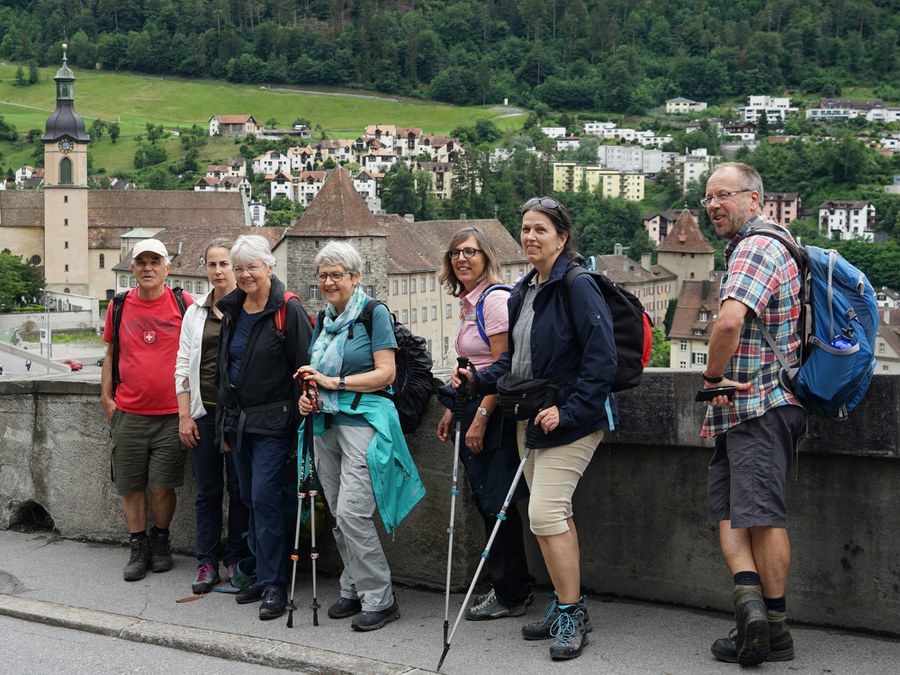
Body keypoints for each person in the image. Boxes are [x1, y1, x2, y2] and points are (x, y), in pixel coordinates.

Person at [455, 197, 616, 661]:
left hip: (572, 419)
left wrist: (569, 411)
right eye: (525, 228)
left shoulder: (577, 284)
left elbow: (601, 359)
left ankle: (571, 614)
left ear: (562, 237)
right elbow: (513, 361)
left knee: (545, 513)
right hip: (531, 415)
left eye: (540, 229)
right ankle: (566, 603)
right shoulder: (524, 289)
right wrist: (478, 379)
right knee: (548, 516)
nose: (530, 236)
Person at [700, 163, 806, 666]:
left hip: (762, 403)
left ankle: (776, 631)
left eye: (724, 194)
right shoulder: (769, 244)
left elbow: (728, 323)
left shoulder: (756, 246)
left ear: (755, 199)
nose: (713, 205)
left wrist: (711, 379)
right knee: (730, 512)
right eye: (708, 198)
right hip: (743, 410)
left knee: (761, 517)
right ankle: (752, 617)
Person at [297, 240, 425, 633]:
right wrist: (309, 395)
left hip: (365, 422)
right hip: (326, 422)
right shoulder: (324, 318)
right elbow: (317, 371)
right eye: (323, 275)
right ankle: (352, 588)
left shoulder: (374, 313)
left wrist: (332, 383)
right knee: (340, 514)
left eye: (337, 275)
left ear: (355, 277)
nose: (329, 282)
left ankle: (380, 599)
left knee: (353, 513)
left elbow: (386, 373)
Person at [435, 226, 533, 621]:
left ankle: (511, 592)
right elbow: (472, 366)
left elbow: (501, 368)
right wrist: (453, 408)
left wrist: (479, 416)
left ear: (486, 257)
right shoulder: (470, 302)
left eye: (471, 252)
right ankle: (510, 585)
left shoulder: (493, 300)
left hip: (493, 412)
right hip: (474, 405)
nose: (462, 259)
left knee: (496, 504)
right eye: (456, 252)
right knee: (489, 502)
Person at [216, 234, 313, 621]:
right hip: (239, 423)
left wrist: (301, 422)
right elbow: (225, 371)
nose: (244, 275)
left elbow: (305, 367)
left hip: (274, 422)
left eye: (252, 267)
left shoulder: (288, 309)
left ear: (269, 267)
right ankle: (263, 572)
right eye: (239, 268)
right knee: (249, 499)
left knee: (265, 497)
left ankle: (275, 583)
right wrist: (224, 427)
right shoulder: (233, 309)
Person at [100, 238, 193, 582]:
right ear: (133, 268)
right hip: (129, 412)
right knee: (131, 486)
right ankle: (138, 546)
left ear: (168, 267)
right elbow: (110, 354)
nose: (148, 268)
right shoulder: (119, 306)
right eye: (141, 262)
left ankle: (161, 540)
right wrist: (106, 399)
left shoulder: (184, 303)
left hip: (171, 414)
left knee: (162, 486)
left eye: (155, 261)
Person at [175, 238, 250, 594]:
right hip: (204, 413)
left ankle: (236, 557)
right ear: (205, 268)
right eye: (212, 264)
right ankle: (206, 561)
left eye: (225, 264)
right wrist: (184, 415)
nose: (218, 271)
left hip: (238, 416)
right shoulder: (195, 312)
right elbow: (182, 366)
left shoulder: (249, 308)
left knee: (240, 489)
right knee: (207, 491)